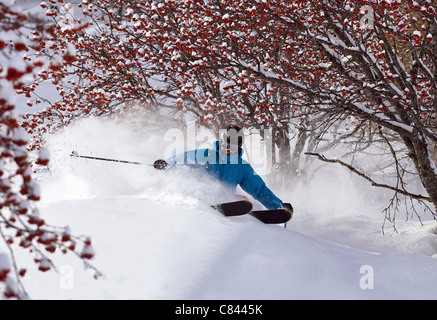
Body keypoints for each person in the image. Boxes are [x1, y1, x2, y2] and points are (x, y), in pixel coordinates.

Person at [153, 125, 293, 214]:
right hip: (202, 195)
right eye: (225, 145)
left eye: (232, 148)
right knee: (199, 188)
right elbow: (184, 159)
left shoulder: (242, 167)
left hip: (226, 201)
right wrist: (167, 164)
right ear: (220, 142)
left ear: (238, 148)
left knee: (250, 204)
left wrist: (278, 205)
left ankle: (255, 214)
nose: (227, 150)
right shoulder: (207, 154)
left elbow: (259, 189)